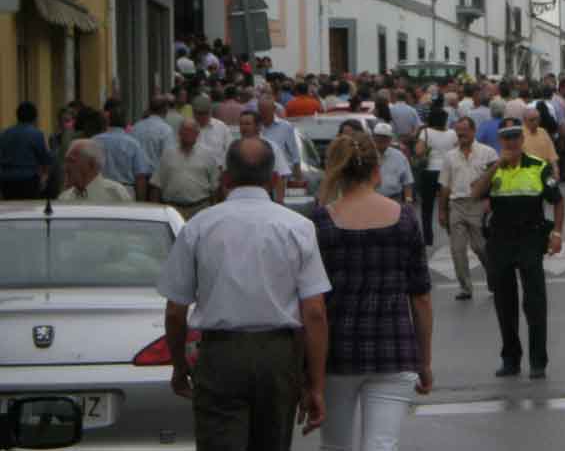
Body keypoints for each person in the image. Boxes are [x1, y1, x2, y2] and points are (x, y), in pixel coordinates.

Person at [157, 138, 331, 451]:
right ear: (274, 179)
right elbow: (315, 313)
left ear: (225, 178)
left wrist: (180, 364)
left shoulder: (199, 226)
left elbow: (174, 310)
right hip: (278, 357)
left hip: (220, 356)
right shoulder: (298, 227)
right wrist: (315, 383)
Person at [309, 134, 433, 451]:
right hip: (394, 350)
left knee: (334, 445)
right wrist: (425, 360)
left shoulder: (321, 223)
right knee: (381, 444)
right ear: (376, 171)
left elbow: (313, 306)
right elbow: (420, 296)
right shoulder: (405, 219)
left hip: (337, 354)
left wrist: (308, 373)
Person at [473, 118, 564, 380]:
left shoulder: (539, 167)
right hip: (500, 240)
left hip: (529, 238)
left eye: (515, 138)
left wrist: (556, 233)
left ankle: (538, 362)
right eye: (506, 139)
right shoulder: (495, 168)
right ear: (501, 142)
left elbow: (557, 201)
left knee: (534, 302)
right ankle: (510, 359)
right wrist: (495, 168)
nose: (511, 143)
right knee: (504, 303)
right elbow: (475, 193)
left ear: (522, 141)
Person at [438, 117, 498, 300]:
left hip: (479, 205)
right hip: (456, 205)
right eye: (458, 132)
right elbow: (445, 186)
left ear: (473, 131)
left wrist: (490, 200)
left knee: (481, 247)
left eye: (464, 131)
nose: (461, 134)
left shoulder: (488, 153)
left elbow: (497, 181)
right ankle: (465, 288)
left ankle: (494, 281)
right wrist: (442, 211)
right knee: (457, 250)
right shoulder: (450, 156)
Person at [149, 119, 220, 219]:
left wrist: (214, 212)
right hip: (172, 209)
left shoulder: (208, 155)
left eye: (191, 131)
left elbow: (215, 187)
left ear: (197, 134)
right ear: (179, 133)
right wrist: (155, 212)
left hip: (200, 209)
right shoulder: (167, 154)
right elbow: (156, 185)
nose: (188, 134)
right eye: (185, 130)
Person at [412, 108, 457, 247]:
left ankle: (428, 238)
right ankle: (453, 234)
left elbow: (418, 152)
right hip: (448, 172)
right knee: (449, 206)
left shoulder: (425, 133)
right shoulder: (453, 133)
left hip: (430, 172)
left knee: (427, 207)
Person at [94, 100, 152, 200]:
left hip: (99, 192)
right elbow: (140, 177)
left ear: (107, 120)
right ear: (125, 121)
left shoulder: (94, 141)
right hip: (126, 192)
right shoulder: (133, 144)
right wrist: (141, 201)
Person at [0, 101, 51, 200]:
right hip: (29, 180)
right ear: (34, 118)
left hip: (7, 180)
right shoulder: (36, 134)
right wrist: (44, 176)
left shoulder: (5, 134)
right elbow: (45, 158)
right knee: (29, 209)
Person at [238, 110, 291, 205]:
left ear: (258, 127)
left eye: (247, 124)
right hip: (238, 199)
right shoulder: (234, 147)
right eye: (241, 124)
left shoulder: (271, 147)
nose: (243, 127)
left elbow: (281, 176)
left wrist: (279, 202)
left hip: (264, 199)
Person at [57, 139, 133, 203]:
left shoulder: (115, 193)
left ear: (92, 164)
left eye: (71, 161)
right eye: (66, 161)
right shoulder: (65, 198)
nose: (65, 167)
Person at [260, 97, 302, 180]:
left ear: (274, 109)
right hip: (261, 176)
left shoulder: (285, 127)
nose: (263, 114)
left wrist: (298, 178)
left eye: (266, 110)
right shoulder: (256, 126)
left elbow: (295, 155)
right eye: (261, 110)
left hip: (282, 176)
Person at [372, 122, 414, 204]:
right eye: (378, 136)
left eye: (385, 137)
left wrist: (408, 201)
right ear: (374, 137)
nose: (381, 139)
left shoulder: (399, 156)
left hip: (393, 199)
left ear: (390, 139)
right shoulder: (366, 154)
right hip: (371, 200)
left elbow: (407, 181)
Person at [131, 97, 175, 173]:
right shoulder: (166, 130)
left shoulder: (136, 127)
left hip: (137, 176)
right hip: (156, 177)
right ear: (165, 110)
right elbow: (169, 157)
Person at [522, 108, 560, 180]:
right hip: (526, 174)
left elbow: (552, 154)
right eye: (532, 120)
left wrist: (556, 170)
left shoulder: (543, 132)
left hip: (544, 173)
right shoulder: (519, 135)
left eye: (537, 119)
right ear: (524, 120)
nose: (535, 122)